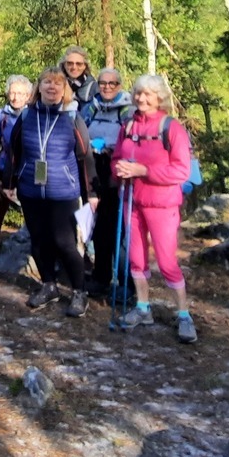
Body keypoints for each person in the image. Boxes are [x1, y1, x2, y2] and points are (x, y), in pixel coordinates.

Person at [2, 67, 98, 318]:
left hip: (63, 192)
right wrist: (9, 182)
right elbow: (14, 151)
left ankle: (79, 291)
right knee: (39, 241)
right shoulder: (27, 115)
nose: (52, 87)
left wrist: (91, 193)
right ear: (39, 87)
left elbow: (85, 158)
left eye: (57, 83)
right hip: (31, 191)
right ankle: (49, 285)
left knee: (65, 243)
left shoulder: (72, 117)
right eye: (47, 82)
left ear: (64, 89)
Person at [113, 74, 197, 342]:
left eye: (148, 94)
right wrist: (119, 169)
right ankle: (143, 308)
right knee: (136, 258)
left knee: (167, 261)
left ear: (159, 97)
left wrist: (144, 171)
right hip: (132, 201)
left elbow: (181, 171)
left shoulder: (171, 128)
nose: (142, 98)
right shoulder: (127, 125)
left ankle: (183, 315)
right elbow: (117, 156)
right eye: (138, 93)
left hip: (162, 204)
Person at [82, 67, 132, 296]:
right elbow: (80, 132)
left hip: (117, 172)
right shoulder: (91, 107)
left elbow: (133, 140)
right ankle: (101, 277)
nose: (107, 87)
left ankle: (126, 283)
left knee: (119, 230)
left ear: (119, 85)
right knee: (99, 227)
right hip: (94, 170)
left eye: (112, 83)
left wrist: (112, 148)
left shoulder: (128, 110)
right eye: (103, 83)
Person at [0, 74, 33, 258]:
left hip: (27, 171)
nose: (15, 97)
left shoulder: (33, 115)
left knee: (32, 215)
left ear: (28, 96)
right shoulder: (0, 116)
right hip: (4, 170)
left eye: (20, 93)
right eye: (12, 93)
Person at [58, 46, 98, 112]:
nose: (74, 67)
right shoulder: (55, 86)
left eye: (79, 64)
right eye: (70, 63)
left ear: (85, 66)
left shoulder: (94, 88)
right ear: (64, 65)